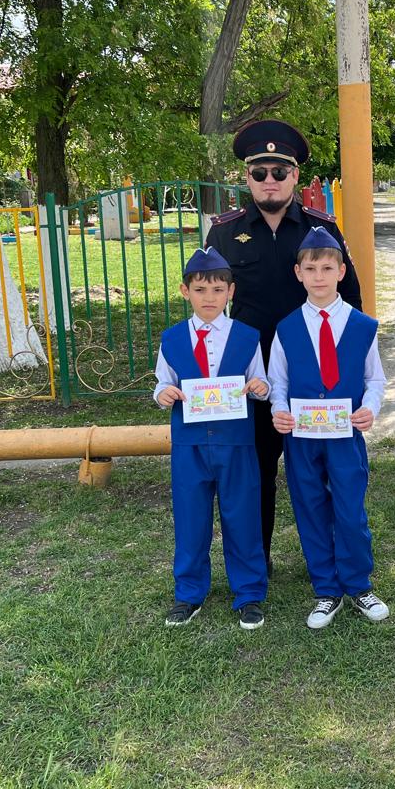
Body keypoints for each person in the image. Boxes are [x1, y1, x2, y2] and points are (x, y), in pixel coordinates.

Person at [206, 119, 362, 570]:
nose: (269, 180)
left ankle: (334, 563)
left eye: (279, 171)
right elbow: (209, 307)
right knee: (254, 471)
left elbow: (351, 302)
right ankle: (257, 561)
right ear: (247, 177)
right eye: (260, 172)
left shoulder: (321, 229)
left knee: (324, 472)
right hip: (250, 376)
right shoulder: (224, 233)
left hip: (313, 377)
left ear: (295, 176)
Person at [267, 226, 389, 629]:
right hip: (301, 436)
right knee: (310, 507)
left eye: (326, 268)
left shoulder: (362, 325)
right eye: (310, 268)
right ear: (298, 273)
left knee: (350, 509)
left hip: (345, 435)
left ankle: (358, 584)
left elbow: (374, 379)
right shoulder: (286, 328)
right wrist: (278, 409)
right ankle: (326, 589)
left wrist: (369, 407)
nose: (318, 276)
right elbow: (277, 381)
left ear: (341, 272)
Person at [153, 246, 271, 629]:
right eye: (200, 290)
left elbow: (261, 379)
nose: (209, 298)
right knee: (191, 518)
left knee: (243, 516)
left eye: (218, 290)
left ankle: (249, 593)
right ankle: (189, 593)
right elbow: (162, 383)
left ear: (230, 292)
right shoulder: (172, 339)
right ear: (185, 291)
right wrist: (163, 394)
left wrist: (260, 387)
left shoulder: (247, 336)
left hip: (237, 443)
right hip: (189, 445)